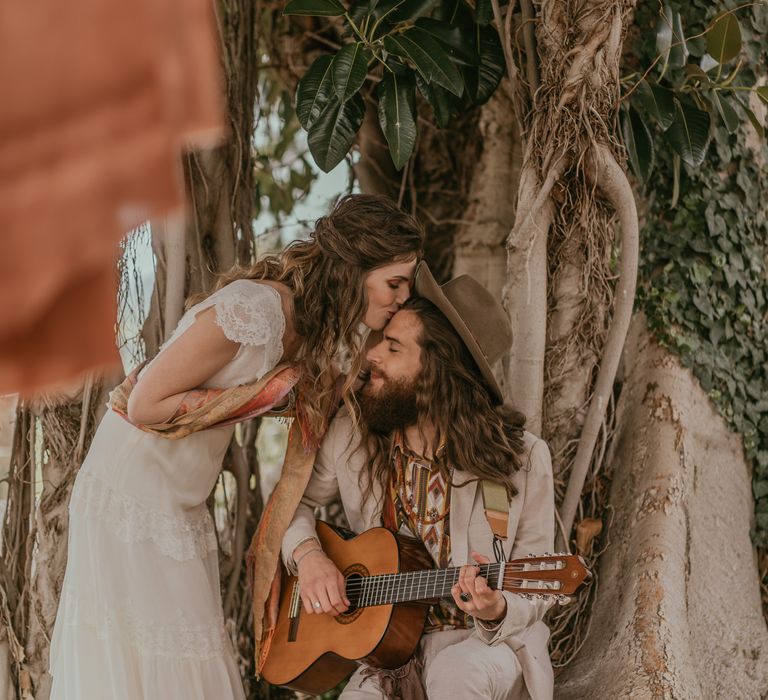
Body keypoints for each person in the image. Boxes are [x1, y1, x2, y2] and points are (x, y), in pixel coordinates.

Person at [48, 194, 424, 700]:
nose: (401, 296)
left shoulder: (314, 335)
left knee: (188, 647)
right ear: (353, 269)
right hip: (131, 491)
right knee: (154, 651)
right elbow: (145, 405)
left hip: (182, 497)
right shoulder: (255, 310)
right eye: (393, 283)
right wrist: (268, 396)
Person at [282, 263, 556, 699]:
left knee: (455, 674)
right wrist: (309, 556)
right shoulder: (353, 436)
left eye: (393, 348)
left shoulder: (519, 460)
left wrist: (496, 606)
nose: (372, 355)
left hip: (482, 643)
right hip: (389, 652)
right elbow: (292, 507)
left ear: (435, 373)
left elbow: (538, 577)